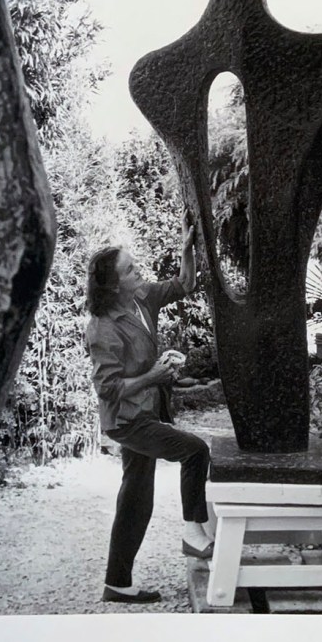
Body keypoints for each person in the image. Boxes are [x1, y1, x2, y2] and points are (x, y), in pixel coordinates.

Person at [85, 212, 212, 604]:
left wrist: (186, 249)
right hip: (127, 420)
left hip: (145, 412)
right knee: (196, 450)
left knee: (137, 498)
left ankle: (117, 583)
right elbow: (107, 389)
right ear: (112, 285)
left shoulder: (141, 299)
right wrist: (154, 376)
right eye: (130, 269)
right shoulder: (103, 326)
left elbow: (185, 284)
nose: (139, 271)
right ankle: (194, 531)